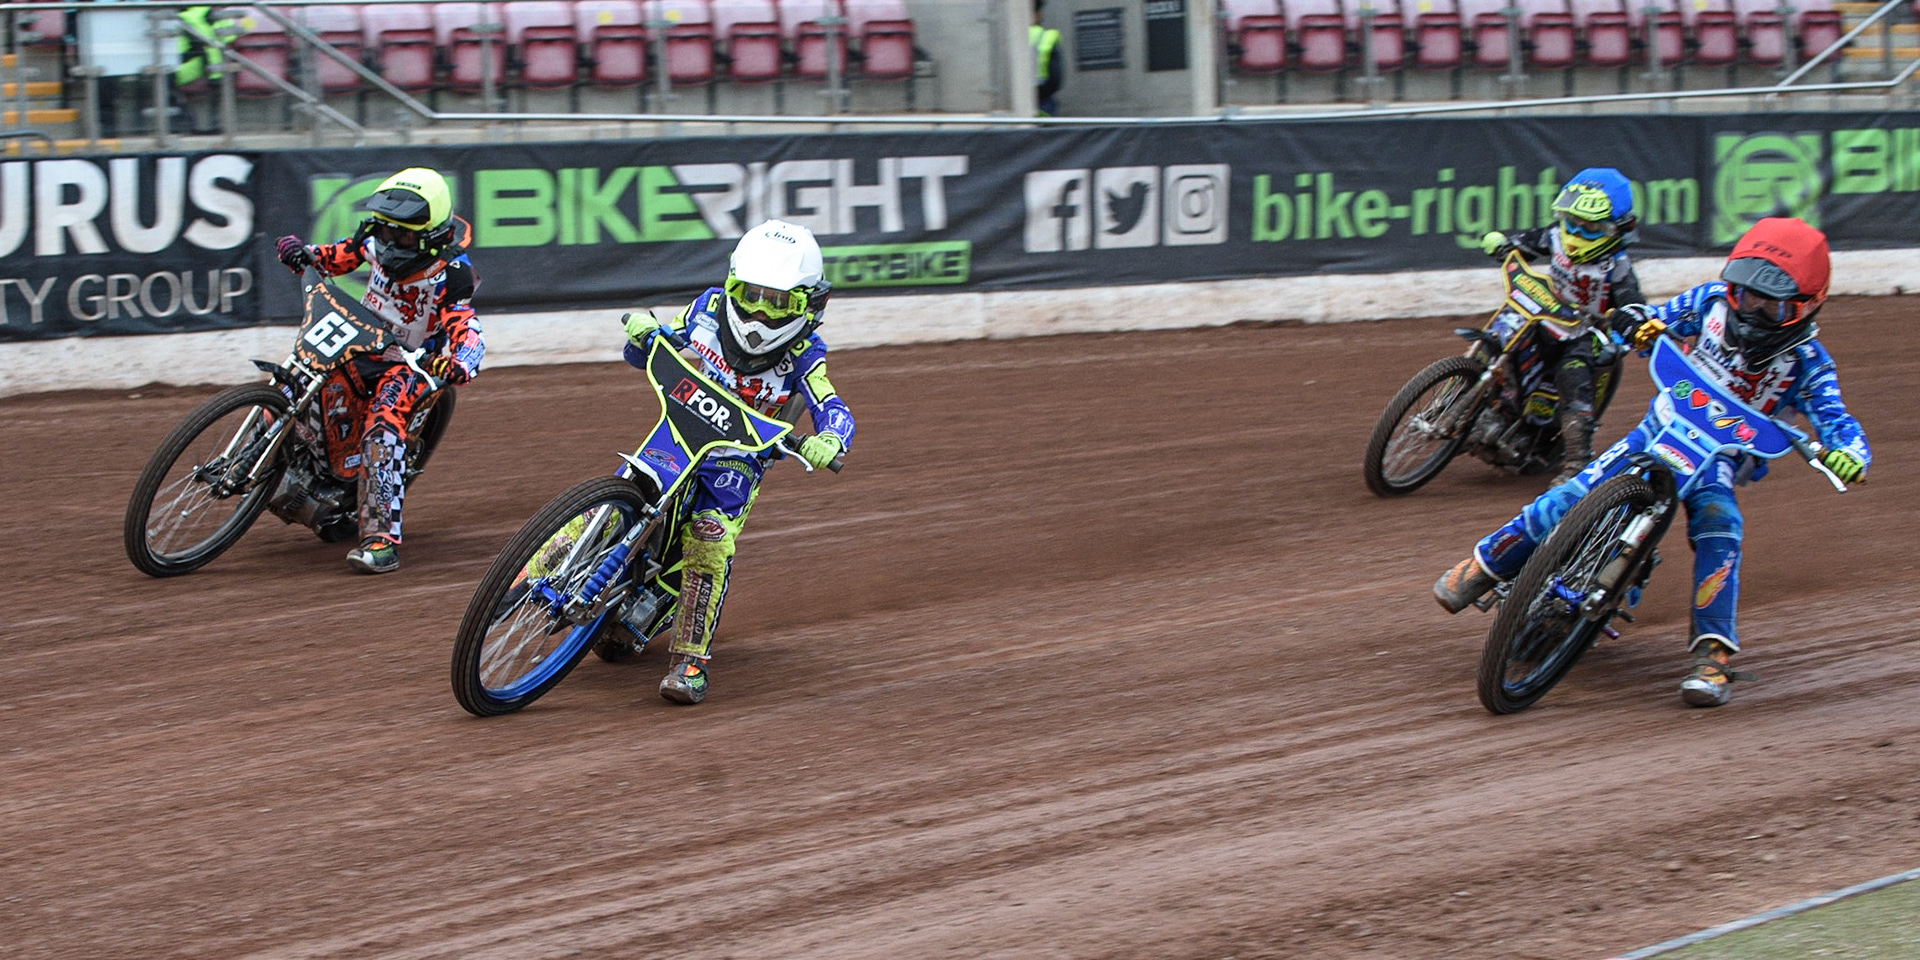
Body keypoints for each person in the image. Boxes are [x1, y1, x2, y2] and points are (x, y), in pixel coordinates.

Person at [1435, 217, 1870, 707]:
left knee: (1721, 531)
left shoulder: (1810, 364)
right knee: (1573, 491)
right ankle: (1484, 564)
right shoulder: (1709, 301)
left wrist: (1849, 454)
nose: (1753, 310)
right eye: (1747, 296)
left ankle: (1713, 654)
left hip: (1718, 459)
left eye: (1771, 303)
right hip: (1660, 428)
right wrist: (1637, 323)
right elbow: (1656, 317)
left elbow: (1837, 421)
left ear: (1806, 306)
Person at [620, 219, 855, 705]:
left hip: (737, 465)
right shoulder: (706, 308)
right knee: (624, 490)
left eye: (778, 302)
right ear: (731, 284)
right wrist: (648, 333)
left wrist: (831, 438)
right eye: (749, 294)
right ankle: (527, 578)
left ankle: (689, 663)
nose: (759, 312)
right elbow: (662, 343)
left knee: (710, 535)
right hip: (680, 432)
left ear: (808, 304)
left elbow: (832, 406)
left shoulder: (806, 355)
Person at [274, 168, 484, 575]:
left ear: (429, 234)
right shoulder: (373, 239)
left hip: (413, 359)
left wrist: (461, 362)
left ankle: (381, 542)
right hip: (361, 336)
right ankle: (261, 459)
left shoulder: (452, 272)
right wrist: (303, 254)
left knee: (382, 427)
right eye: (385, 230)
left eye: (401, 235)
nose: (389, 240)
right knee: (300, 377)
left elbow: (465, 325)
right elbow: (335, 257)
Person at [1478, 168, 1646, 482]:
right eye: (1573, 222)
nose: (1578, 233)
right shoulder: (1555, 236)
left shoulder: (1617, 265)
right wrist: (1503, 242)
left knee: (1573, 378)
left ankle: (1576, 463)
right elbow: (1526, 241)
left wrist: (1633, 318)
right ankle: (1478, 403)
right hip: (1542, 313)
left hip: (1584, 332)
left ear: (1615, 229)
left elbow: (1632, 299)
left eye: (1590, 227)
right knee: (1500, 335)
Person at [1031, 0, 1063, 117]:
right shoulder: (1047, 38)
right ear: (1037, 14)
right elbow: (1055, 80)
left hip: (1015, 104)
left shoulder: (1006, 37)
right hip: (1043, 104)